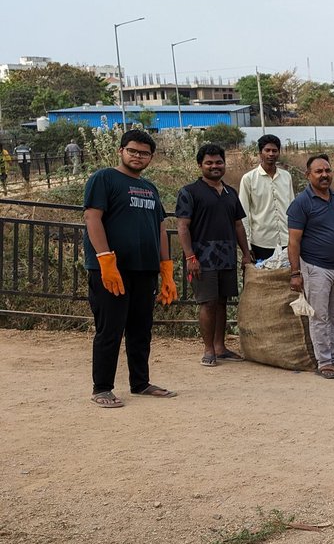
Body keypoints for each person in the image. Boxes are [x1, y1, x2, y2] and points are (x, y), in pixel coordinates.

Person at [82, 129, 178, 407]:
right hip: (112, 271)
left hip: (144, 269)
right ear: (121, 151)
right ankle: (102, 388)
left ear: (151, 157)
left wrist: (166, 269)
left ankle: (141, 382)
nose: (138, 156)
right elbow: (92, 217)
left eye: (144, 153)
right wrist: (104, 260)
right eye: (132, 151)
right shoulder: (104, 178)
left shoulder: (150, 188)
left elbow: (160, 228)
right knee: (110, 329)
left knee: (140, 329)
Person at [176, 143, 255, 368]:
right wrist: (190, 257)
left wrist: (246, 254)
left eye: (218, 162)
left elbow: (238, 225)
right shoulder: (189, 192)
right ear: (200, 165)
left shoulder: (230, 192)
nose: (214, 166)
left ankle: (220, 347)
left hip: (227, 256)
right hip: (202, 258)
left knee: (222, 302)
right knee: (208, 303)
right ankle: (208, 349)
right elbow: (182, 227)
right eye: (209, 163)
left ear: (224, 164)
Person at [286, 154, 334, 380]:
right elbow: (294, 241)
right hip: (315, 267)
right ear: (307, 175)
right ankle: (325, 362)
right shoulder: (301, 203)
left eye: (327, 171)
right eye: (319, 171)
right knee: (320, 316)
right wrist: (295, 273)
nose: (324, 175)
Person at [238, 134, 295, 262]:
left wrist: (295, 238)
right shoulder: (249, 179)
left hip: (287, 241)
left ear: (279, 153)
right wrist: (247, 247)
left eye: (274, 151)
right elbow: (243, 214)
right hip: (261, 243)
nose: (271, 154)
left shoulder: (286, 177)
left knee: (287, 280)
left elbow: (292, 208)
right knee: (263, 280)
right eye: (267, 150)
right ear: (260, 153)